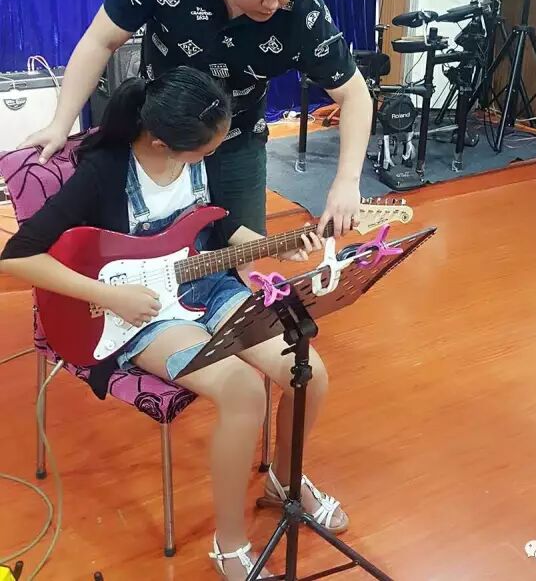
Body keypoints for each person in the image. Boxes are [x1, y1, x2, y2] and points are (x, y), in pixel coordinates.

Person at [0, 67, 348, 580]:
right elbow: (17, 257)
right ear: (162, 141)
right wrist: (110, 296)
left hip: (206, 287)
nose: (212, 154)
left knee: (308, 371)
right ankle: (229, 546)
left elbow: (219, 226)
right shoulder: (104, 173)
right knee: (241, 391)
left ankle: (284, 479)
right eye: (206, 149)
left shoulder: (196, 156)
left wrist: (274, 245)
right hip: (139, 311)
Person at [21, 0, 373, 244]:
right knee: (141, 249)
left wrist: (347, 181)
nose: (274, 3)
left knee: (244, 254)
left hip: (237, 136)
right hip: (164, 134)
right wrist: (60, 123)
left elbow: (355, 95)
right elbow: (101, 40)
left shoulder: (303, 14)